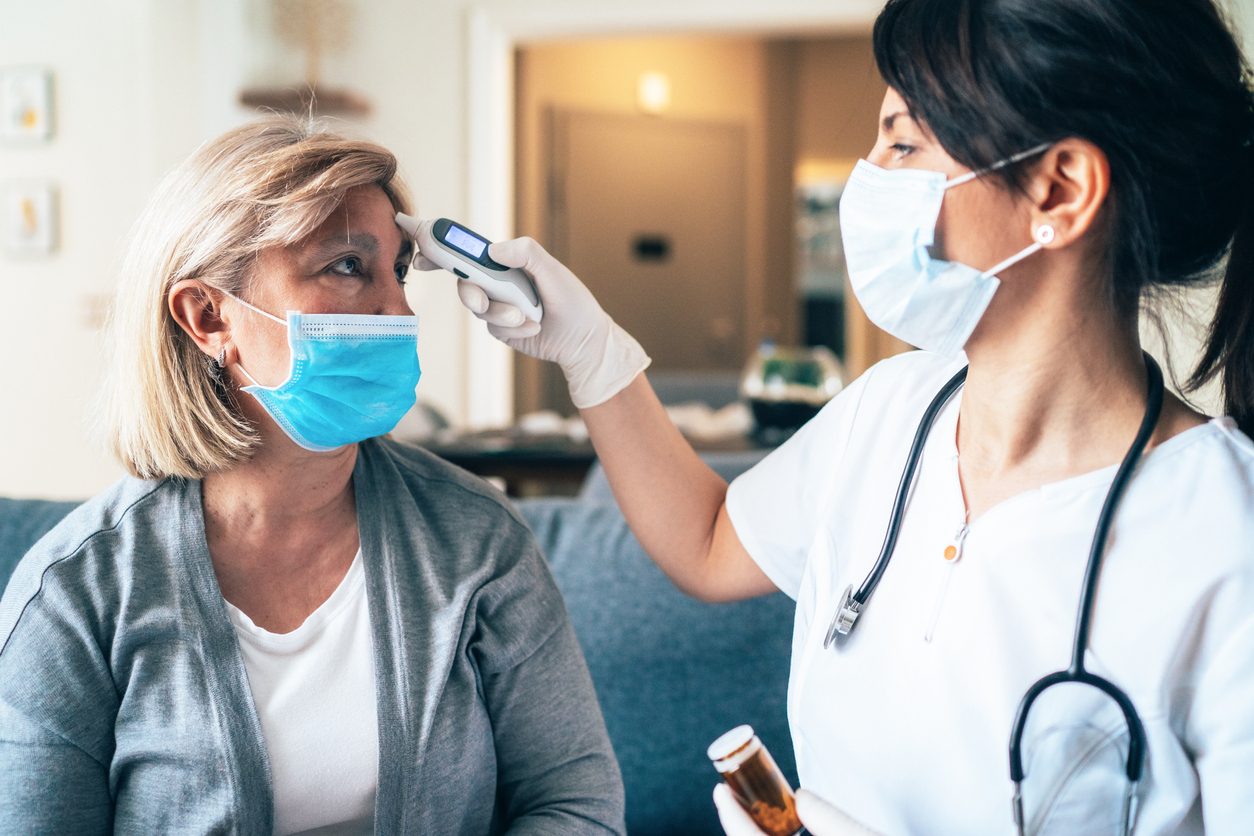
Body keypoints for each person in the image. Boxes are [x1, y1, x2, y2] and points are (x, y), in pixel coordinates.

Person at [450, 0, 1254, 833]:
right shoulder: (890, 411)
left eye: (904, 142)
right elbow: (708, 542)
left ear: (1060, 188)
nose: (867, 174)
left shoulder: (1224, 536)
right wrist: (592, 352)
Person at [0, 116, 625, 835]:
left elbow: (575, 806)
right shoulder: (77, 594)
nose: (399, 310)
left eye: (396, 271)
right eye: (347, 267)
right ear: (208, 316)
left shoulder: (478, 540)